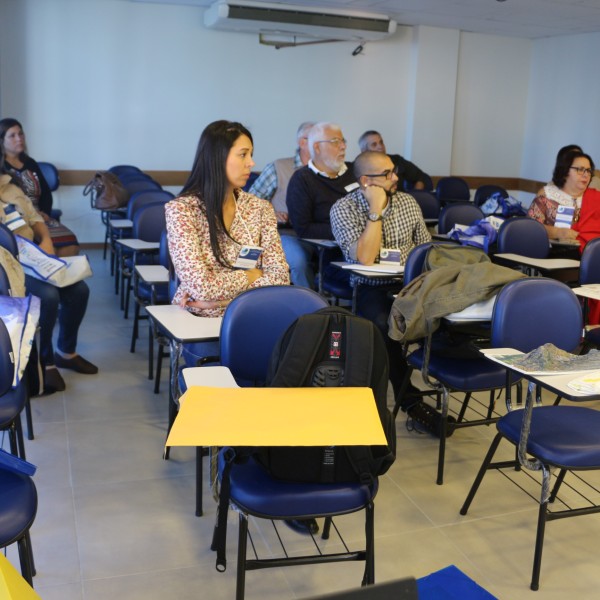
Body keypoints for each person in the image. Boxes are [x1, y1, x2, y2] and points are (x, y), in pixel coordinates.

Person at [331, 150, 431, 399]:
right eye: (387, 174)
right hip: (370, 287)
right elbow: (364, 257)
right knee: (382, 322)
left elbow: (425, 250)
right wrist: (375, 211)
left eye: (394, 170)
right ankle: (405, 393)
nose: (395, 177)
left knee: (439, 318)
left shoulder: (407, 202)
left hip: (412, 284)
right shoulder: (344, 208)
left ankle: (437, 375)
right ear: (367, 181)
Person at [165, 120, 289, 318]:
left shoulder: (260, 208)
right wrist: (252, 274)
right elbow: (201, 288)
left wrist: (225, 301)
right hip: (198, 317)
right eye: (243, 154)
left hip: (252, 313)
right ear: (217, 158)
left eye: (251, 154)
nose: (251, 163)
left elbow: (280, 277)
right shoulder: (182, 210)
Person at [0, 164, 98, 394]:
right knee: (48, 296)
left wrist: (46, 241)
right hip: (7, 266)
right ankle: (45, 363)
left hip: (33, 257)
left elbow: (35, 219)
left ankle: (66, 352)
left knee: (79, 290)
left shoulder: (10, 186)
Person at [286, 122, 359, 289]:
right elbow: (304, 228)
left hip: (362, 245)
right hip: (325, 248)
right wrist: (347, 232)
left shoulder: (355, 172)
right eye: (335, 141)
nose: (343, 146)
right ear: (317, 148)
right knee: (299, 261)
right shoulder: (302, 179)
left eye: (343, 141)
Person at [0, 118, 79, 257]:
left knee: (71, 245)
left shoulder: (30, 163)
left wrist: (45, 213)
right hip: (17, 220)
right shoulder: (2, 169)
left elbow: (46, 193)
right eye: (12, 135)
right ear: (2, 141)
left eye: (21, 134)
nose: (19, 138)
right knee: (48, 251)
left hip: (40, 216)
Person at [249, 121, 315, 286]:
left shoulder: (330, 171)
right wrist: (272, 213)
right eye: (317, 140)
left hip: (322, 235)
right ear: (302, 143)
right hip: (286, 233)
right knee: (299, 261)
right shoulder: (278, 167)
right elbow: (250, 203)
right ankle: (309, 307)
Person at [528, 149, 596, 242]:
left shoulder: (595, 198)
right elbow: (529, 228)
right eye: (580, 169)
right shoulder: (546, 197)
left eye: (588, 170)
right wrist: (556, 232)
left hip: (590, 253)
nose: (586, 175)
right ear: (565, 171)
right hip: (552, 252)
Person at [358, 130, 430, 191]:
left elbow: (422, 177)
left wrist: (416, 194)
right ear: (364, 151)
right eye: (374, 145)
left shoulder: (397, 160)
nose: (380, 147)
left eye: (381, 142)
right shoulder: (358, 168)